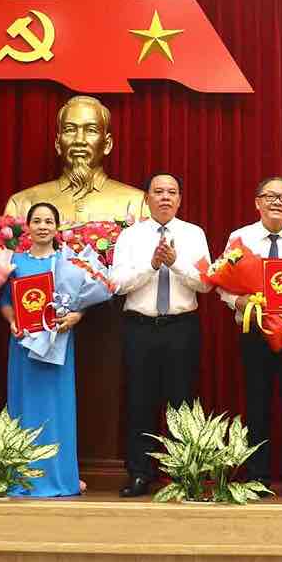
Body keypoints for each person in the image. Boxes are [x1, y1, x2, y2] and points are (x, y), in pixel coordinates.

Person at [220, 175, 282, 499]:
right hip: (254, 330)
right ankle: (257, 476)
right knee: (256, 404)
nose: (277, 202)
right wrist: (239, 301)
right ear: (257, 202)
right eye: (270, 196)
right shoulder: (241, 237)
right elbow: (223, 281)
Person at [110, 174, 211, 497]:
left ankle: (182, 473)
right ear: (147, 197)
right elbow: (117, 284)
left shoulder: (193, 234)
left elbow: (206, 283)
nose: (165, 197)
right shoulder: (129, 236)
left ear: (180, 199)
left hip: (181, 328)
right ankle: (140, 474)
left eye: (172, 192)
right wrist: (152, 266)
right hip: (140, 327)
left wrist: (175, 263)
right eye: (159, 192)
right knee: (139, 401)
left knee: (182, 402)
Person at [0, 202, 82, 497]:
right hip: (22, 346)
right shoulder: (14, 262)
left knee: (56, 409)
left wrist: (75, 317)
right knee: (25, 408)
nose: (43, 226)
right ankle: (23, 477)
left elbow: (79, 303)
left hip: (57, 346)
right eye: (37, 221)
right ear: (28, 227)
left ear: (57, 228)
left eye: (49, 221)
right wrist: (11, 321)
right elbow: (6, 302)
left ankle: (59, 478)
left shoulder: (68, 263)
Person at [3, 95, 147, 225]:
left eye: (91, 130)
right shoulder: (22, 203)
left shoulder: (137, 203)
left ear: (107, 144)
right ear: (58, 144)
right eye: (70, 130)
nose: (79, 140)